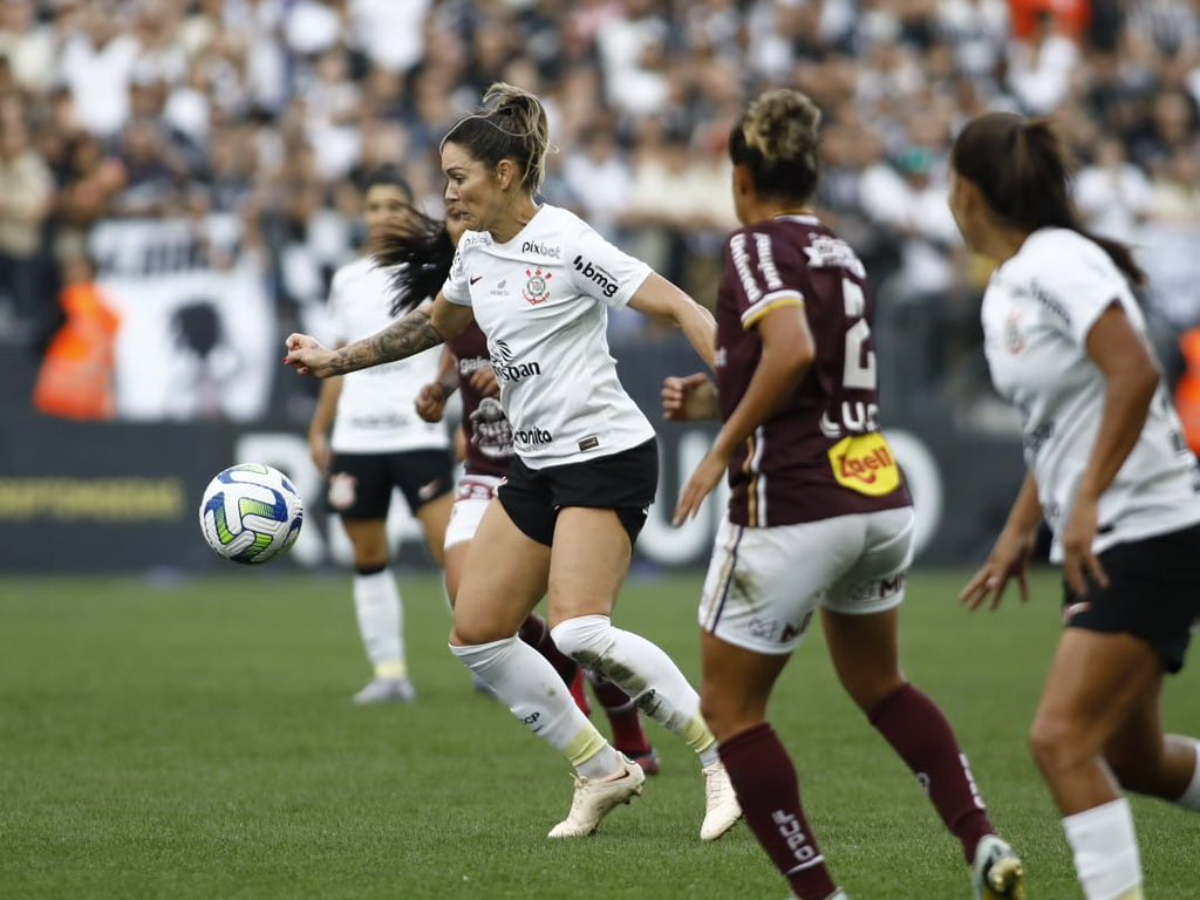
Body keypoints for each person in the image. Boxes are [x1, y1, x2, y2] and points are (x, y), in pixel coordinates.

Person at [285, 82, 741, 841]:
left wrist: (735, 388)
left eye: (457, 177)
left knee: (579, 632)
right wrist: (337, 362)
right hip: (536, 468)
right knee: (478, 635)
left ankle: (722, 757)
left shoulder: (566, 241)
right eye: (443, 178)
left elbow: (678, 306)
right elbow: (433, 326)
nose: (447, 194)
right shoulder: (473, 254)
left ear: (504, 174)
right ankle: (600, 769)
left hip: (605, 454)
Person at [663, 89, 1024, 900]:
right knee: (881, 685)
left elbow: (788, 351)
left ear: (743, 174)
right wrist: (721, 394)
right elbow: (804, 369)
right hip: (877, 495)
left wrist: (720, 446)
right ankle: (983, 838)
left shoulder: (754, 244)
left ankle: (822, 895)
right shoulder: (836, 248)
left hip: (794, 499)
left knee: (731, 710)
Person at [950, 112, 1200, 900]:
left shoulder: (1059, 261)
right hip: (1110, 533)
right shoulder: (1012, 284)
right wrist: (1023, 529)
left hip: (1146, 527)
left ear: (966, 192)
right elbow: (1054, 425)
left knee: (1060, 741)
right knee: (1134, 757)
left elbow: (1134, 374)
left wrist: (1084, 500)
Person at [387, 207, 663, 774]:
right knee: (474, 610)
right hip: (488, 473)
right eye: (454, 217)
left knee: (577, 627)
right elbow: (452, 342)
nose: (464, 224)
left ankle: (623, 735)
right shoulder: (463, 292)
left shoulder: (541, 272)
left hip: (555, 467)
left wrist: (510, 371)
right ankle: (591, 714)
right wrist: (440, 387)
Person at [306, 165, 456, 705]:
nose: (384, 217)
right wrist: (321, 428)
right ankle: (390, 673)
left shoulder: (439, 269)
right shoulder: (346, 279)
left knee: (454, 555)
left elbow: (456, 346)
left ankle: (489, 660)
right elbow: (338, 361)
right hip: (358, 439)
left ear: (413, 211)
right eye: (374, 208)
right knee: (368, 556)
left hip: (418, 435)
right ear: (362, 215)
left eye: (394, 207)